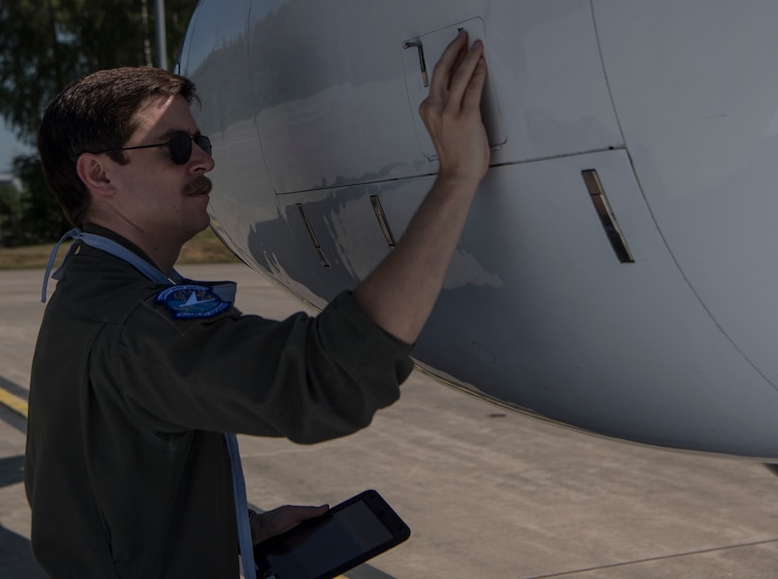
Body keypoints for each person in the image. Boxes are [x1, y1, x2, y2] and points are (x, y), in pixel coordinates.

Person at [24, 30, 489, 577]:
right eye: (175, 148)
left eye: (202, 143)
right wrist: (457, 177)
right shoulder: (132, 323)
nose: (202, 161)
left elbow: (106, 495)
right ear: (99, 174)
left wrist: (234, 531)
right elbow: (322, 383)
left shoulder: (91, 292)